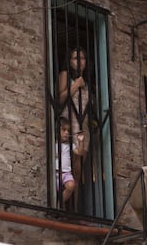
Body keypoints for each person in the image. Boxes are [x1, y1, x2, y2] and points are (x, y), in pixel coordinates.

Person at [58, 47, 91, 209]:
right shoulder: (65, 75)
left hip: (83, 128)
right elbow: (60, 98)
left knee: (77, 173)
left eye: (83, 58)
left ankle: (75, 208)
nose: (80, 61)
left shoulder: (87, 83)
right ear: (70, 62)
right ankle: (62, 206)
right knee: (65, 167)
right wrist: (76, 85)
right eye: (75, 58)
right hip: (70, 125)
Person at [55, 116, 85, 208]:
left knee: (71, 185)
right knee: (54, 191)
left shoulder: (70, 145)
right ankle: (55, 203)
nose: (66, 133)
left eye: (68, 130)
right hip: (55, 172)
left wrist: (81, 141)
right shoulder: (54, 144)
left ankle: (59, 204)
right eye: (64, 130)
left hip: (66, 173)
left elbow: (80, 152)